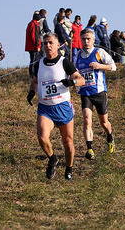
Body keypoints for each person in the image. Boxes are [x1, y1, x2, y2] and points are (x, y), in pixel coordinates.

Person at [27, 32, 85, 181]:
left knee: (68, 143)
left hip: (62, 107)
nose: (48, 46)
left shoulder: (64, 62)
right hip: (45, 108)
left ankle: (69, 169)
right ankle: (52, 159)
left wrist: (72, 82)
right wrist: (32, 91)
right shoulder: (39, 64)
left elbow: (81, 79)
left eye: (51, 43)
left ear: (58, 45)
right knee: (42, 138)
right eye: (45, 43)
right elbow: (35, 80)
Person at [76, 28, 117, 160]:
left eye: (89, 39)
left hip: (99, 92)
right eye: (84, 39)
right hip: (85, 93)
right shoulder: (78, 55)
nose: (86, 41)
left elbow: (113, 66)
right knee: (87, 120)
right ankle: (90, 149)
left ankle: (110, 137)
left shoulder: (99, 52)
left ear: (94, 40)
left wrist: (99, 66)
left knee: (104, 123)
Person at [25, 13, 42, 78]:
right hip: (33, 47)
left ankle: (33, 74)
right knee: (34, 61)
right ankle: (33, 75)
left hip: (30, 46)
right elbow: (35, 36)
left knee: (33, 60)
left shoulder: (30, 24)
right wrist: (37, 46)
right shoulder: (34, 25)